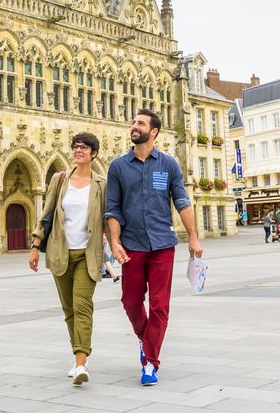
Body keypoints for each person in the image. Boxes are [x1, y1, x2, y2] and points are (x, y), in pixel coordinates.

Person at [104, 109, 203, 387]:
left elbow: (182, 201)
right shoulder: (119, 166)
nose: (134, 126)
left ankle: (149, 362)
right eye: (134, 122)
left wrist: (193, 237)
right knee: (130, 302)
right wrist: (114, 241)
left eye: (140, 123)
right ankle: (146, 339)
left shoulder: (169, 164)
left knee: (160, 305)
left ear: (154, 131)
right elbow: (112, 208)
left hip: (162, 244)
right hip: (132, 244)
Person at [29, 132, 107, 386]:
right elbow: (47, 212)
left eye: (84, 147)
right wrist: (35, 245)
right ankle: (78, 356)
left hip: (88, 255)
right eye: (75, 147)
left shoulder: (101, 185)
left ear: (94, 153)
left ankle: (81, 364)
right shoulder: (60, 179)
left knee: (82, 306)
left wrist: (114, 243)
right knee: (69, 310)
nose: (78, 150)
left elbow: (109, 218)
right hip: (61, 252)